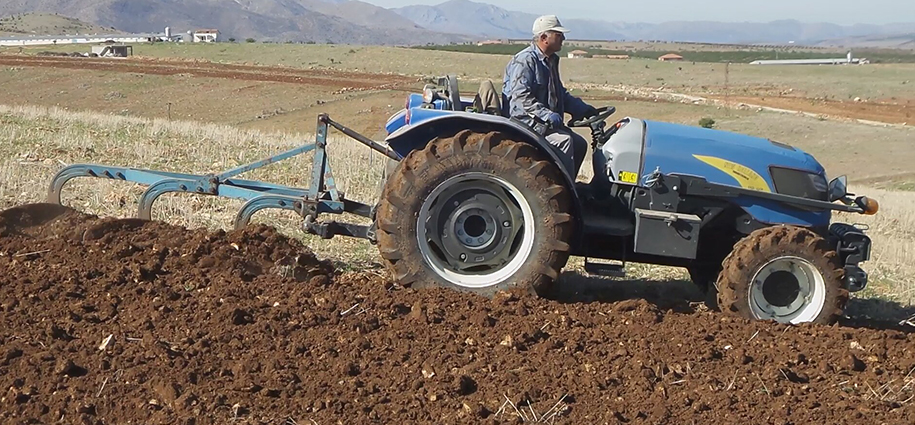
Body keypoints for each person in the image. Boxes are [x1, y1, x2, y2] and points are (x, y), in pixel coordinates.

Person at [502, 15, 597, 178]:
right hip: (526, 122)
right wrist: (546, 114)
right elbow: (520, 97)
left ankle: (573, 187)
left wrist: (583, 109)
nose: (563, 39)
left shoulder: (550, 61)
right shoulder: (525, 61)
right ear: (544, 37)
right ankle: (562, 192)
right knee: (564, 141)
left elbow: (559, 94)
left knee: (580, 144)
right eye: (558, 35)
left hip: (543, 122)